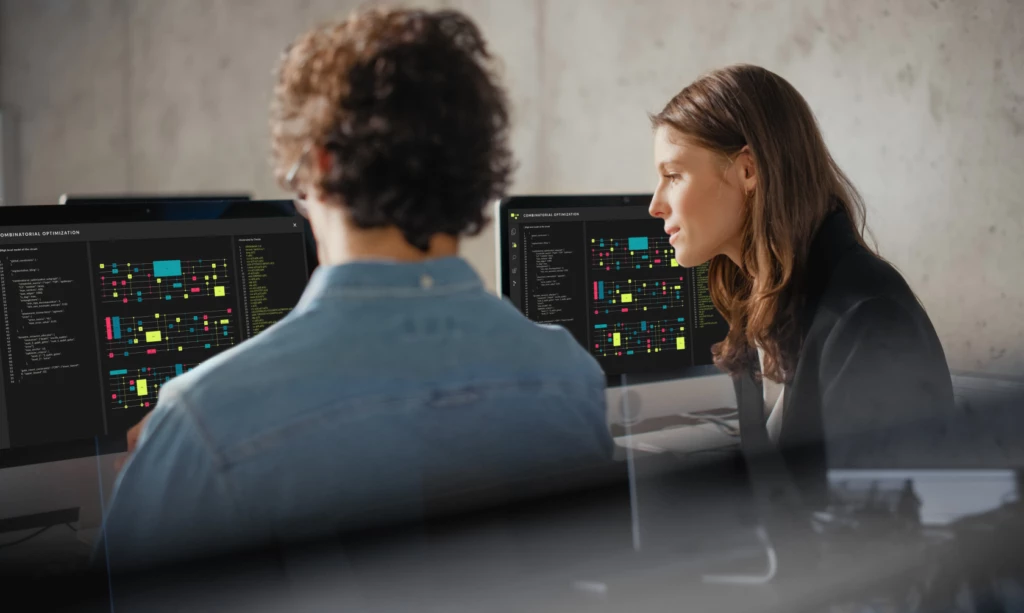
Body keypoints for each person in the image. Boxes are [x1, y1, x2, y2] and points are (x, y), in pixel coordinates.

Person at [99, 7, 612, 570]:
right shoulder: (569, 376)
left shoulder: (204, 422)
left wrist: (156, 475)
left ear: (318, 166)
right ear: (474, 169)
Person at [648, 64, 960, 506]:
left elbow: (880, 543)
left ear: (748, 170)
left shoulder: (868, 320)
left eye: (674, 175)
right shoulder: (760, 302)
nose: (655, 205)